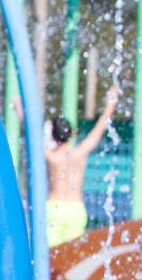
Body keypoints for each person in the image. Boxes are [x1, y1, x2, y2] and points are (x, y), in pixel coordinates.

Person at [46, 87, 119, 246]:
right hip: (76, 210)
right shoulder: (80, 153)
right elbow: (99, 130)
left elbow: (34, 142)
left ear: (53, 136)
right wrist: (110, 106)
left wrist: (21, 113)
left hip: (54, 209)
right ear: (72, 133)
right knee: (73, 261)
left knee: (50, 259)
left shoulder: (51, 157)